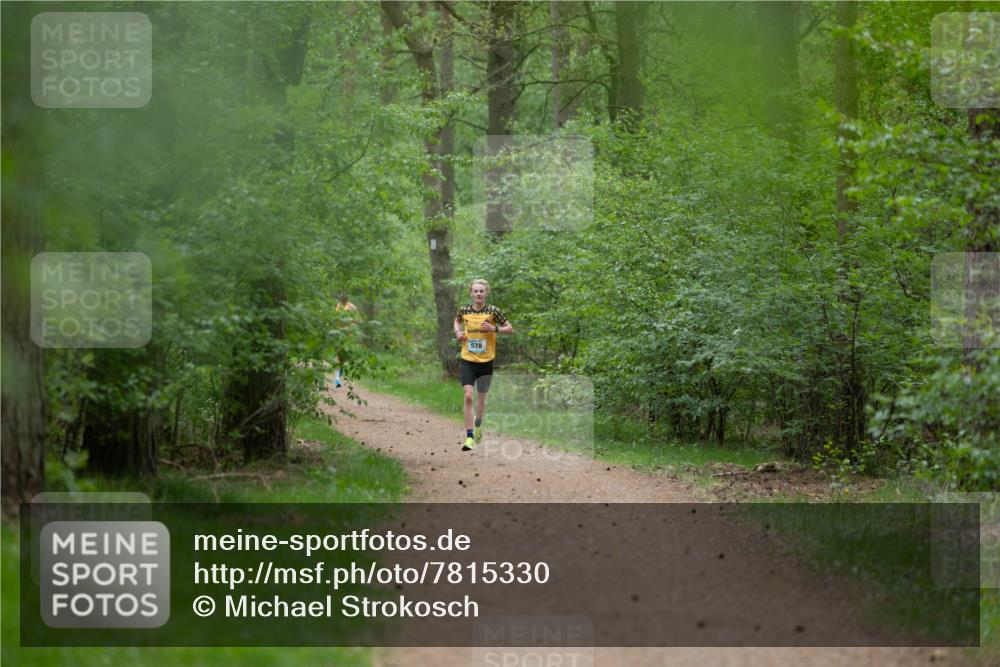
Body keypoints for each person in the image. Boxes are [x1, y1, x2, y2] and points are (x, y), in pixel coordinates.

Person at [454, 279, 513, 451]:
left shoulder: (493, 311)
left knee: (481, 399)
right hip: (468, 360)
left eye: (481, 291)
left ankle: (478, 424)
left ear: (486, 292)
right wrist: (458, 332)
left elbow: (510, 329)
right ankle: (469, 437)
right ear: (470, 293)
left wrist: (494, 329)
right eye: (475, 291)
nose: (478, 294)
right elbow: (457, 321)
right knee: (468, 396)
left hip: (486, 362)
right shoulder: (464, 310)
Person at [334, 294, 359, 388]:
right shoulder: (337, 306)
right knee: (337, 355)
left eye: (344, 298)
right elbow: (334, 318)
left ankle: (340, 371)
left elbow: (357, 319)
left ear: (347, 298)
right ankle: (337, 379)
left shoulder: (352, 307)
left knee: (344, 357)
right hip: (338, 333)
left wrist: (352, 325)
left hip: (348, 334)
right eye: (341, 298)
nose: (343, 299)